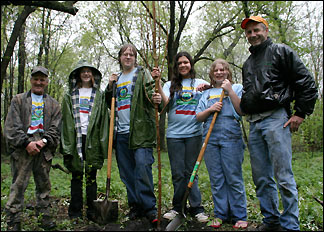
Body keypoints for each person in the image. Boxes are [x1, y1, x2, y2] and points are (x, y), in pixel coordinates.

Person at [240, 16, 318, 231]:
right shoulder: (248, 63)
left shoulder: (281, 51)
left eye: (257, 30)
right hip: (254, 123)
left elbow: (307, 82)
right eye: (249, 32)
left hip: (276, 119)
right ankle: (271, 220)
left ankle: (291, 224)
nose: (253, 35)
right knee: (261, 177)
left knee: (283, 175)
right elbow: (249, 92)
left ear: (266, 30)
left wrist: (300, 113)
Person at [105, 44, 162, 226]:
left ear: (135, 58)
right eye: (125, 54)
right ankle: (135, 206)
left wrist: (157, 96)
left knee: (143, 168)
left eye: (131, 54)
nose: (128, 57)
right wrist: (109, 86)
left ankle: (149, 208)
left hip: (140, 131)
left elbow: (153, 95)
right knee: (127, 172)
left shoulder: (142, 73)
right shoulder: (118, 78)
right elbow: (109, 103)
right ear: (120, 57)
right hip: (120, 133)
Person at [151, 51, 209, 223]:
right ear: (176, 67)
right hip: (174, 135)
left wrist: (209, 88)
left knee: (191, 172)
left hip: (194, 134)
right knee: (178, 173)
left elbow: (219, 88)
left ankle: (196, 208)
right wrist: (158, 84)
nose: (183, 65)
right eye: (179, 63)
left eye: (186, 62)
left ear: (191, 64)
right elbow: (166, 105)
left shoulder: (200, 83)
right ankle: (178, 208)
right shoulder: (170, 84)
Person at [4, 66, 61, 231]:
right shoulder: (18, 100)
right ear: (31, 80)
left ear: (47, 82)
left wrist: (42, 142)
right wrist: (27, 143)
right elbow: (12, 126)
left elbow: (56, 129)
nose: (38, 82)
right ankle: (13, 220)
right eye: (36, 79)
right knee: (18, 185)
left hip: (43, 150)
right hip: (23, 149)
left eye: (42, 79)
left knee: (44, 186)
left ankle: (44, 217)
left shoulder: (53, 104)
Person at [195, 58, 248, 229]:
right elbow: (198, 117)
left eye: (222, 70)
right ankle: (221, 214)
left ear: (228, 72)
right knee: (216, 178)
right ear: (211, 74)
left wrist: (230, 91)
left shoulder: (237, 88)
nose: (219, 72)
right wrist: (210, 109)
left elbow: (241, 111)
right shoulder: (206, 94)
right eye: (216, 70)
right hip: (210, 138)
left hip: (231, 136)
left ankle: (239, 215)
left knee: (233, 176)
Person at [60, 60, 109, 222]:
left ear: (93, 75)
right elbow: (66, 121)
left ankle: (92, 211)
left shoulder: (99, 95)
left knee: (91, 176)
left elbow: (103, 120)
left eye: (89, 71)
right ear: (78, 74)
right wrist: (67, 144)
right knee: (76, 176)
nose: (86, 74)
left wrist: (103, 144)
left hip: (92, 138)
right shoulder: (70, 95)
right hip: (76, 138)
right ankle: (75, 212)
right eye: (83, 71)